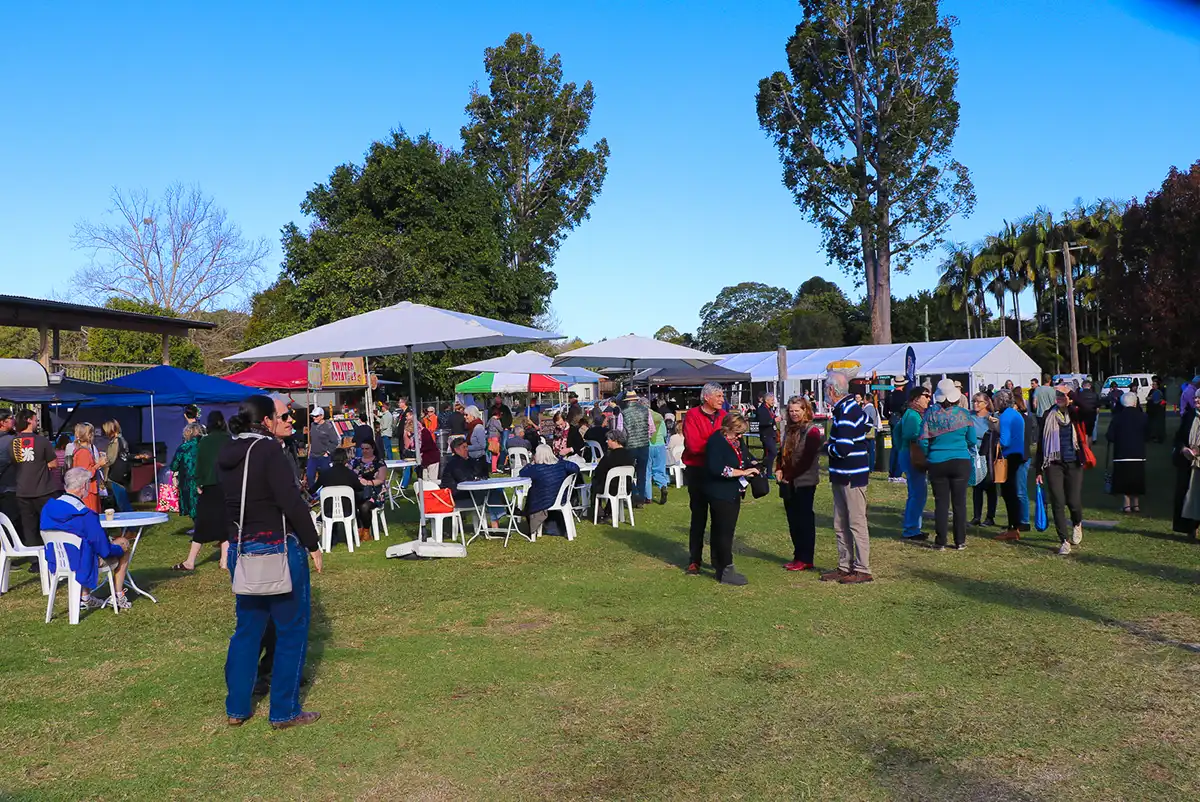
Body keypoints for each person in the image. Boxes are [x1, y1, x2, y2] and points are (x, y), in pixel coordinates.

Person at [218, 394, 323, 730]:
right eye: (280, 416)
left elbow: (227, 504)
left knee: (248, 630)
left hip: (242, 548)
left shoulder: (227, 451)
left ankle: (237, 707)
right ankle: (284, 710)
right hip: (277, 547)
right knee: (291, 629)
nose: (286, 420)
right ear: (265, 420)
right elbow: (290, 501)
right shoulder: (268, 450)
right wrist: (313, 543)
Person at [41, 467, 134, 610]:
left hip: (58, 560)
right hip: (82, 562)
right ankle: (118, 595)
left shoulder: (48, 508)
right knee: (123, 544)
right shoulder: (85, 515)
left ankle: (85, 597)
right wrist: (119, 547)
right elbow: (104, 549)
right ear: (83, 486)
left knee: (85, 546)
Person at [822, 371, 873, 584]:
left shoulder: (846, 412)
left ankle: (862, 568)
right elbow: (868, 423)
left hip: (851, 475)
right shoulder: (850, 408)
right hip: (844, 474)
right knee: (840, 522)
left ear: (831, 390)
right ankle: (845, 566)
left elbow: (842, 449)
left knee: (855, 522)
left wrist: (826, 447)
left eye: (826, 389)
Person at [920, 379, 977, 550]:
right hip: (960, 460)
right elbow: (972, 439)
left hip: (937, 461)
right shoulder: (964, 414)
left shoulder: (930, 414)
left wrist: (929, 453)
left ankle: (941, 541)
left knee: (941, 503)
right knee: (959, 503)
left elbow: (922, 440)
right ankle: (960, 541)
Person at [171, 412, 231, 571]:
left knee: (202, 523)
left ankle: (190, 561)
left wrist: (198, 483)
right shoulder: (229, 440)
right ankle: (224, 560)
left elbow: (200, 465)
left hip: (209, 486)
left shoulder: (204, 442)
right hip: (227, 485)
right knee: (226, 522)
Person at [704, 412, 758, 586]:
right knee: (724, 532)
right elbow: (716, 468)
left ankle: (718, 564)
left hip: (733, 491)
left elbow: (745, 456)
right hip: (720, 493)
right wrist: (742, 472)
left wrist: (754, 464)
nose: (740, 437)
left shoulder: (736, 441)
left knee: (722, 530)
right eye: (737, 433)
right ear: (727, 428)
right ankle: (726, 569)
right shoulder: (716, 442)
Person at [682, 383, 727, 575]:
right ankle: (695, 560)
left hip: (718, 472)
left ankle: (718, 561)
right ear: (706, 397)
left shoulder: (724, 416)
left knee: (719, 518)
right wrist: (717, 447)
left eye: (722, 396)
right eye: (718, 396)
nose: (722, 399)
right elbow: (694, 445)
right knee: (698, 517)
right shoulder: (692, 415)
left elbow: (732, 440)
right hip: (698, 471)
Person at [1035, 385, 1086, 555]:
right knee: (1058, 501)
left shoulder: (1075, 413)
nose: (1060, 398)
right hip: (1053, 463)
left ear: (1070, 398)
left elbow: (1088, 408)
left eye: (1063, 396)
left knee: (1073, 501)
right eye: (1058, 395)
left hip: (1073, 462)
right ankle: (1064, 540)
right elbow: (1041, 443)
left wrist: (1070, 393)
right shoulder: (1048, 415)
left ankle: (1077, 523)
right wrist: (1038, 470)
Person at [777, 396, 823, 571]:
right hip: (788, 481)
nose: (794, 414)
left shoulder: (812, 431)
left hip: (804, 482)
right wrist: (779, 468)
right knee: (793, 520)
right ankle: (798, 556)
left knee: (804, 521)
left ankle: (806, 558)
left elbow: (806, 460)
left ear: (805, 410)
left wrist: (789, 475)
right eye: (791, 411)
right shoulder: (789, 429)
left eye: (797, 410)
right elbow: (782, 452)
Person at [519, 444, 580, 537]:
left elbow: (522, 473)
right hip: (561, 498)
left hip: (543, 501)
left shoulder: (536, 469)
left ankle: (527, 517)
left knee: (531, 493)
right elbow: (576, 468)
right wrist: (560, 459)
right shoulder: (561, 465)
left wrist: (531, 463)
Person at [896, 385, 932, 541]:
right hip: (912, 454)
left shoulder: (912, 413)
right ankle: (911, 529)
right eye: (926, 396)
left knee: (916, 493)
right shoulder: (912, 415)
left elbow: (897, 432)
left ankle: (913, 527)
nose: (929, 399)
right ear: (916, 398)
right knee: (918, 493)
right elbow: (910, 434)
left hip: (908, 453)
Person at [1107, 392, 1147, 513]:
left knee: (1124, 479)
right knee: (1137, 478)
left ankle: (1126, 504)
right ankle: (1136, 504)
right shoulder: (1143, 417)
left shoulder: (1117, 417)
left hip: (1121, 453)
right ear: (1135, 403)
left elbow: (1110, 436)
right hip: (1138, 453)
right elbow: (1148, 434)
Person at [993, 389, 1026, 541]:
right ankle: (1015, 525)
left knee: (1008, 492)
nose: (994, 403)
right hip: (1018, 453)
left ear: (1001, 401)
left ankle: (1013, 527)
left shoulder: (1005, 416)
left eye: (995, 400)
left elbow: (1005, 441)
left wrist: (995, 439)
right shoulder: (1016, 414)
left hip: (1009, 456)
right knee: (1012, 491)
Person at [616, 390, 654, 508]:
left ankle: (634, 493)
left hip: (630, 446)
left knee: (628, 472)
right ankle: (641, 498)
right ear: (636, 400)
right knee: (642, 473)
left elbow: (619, 431)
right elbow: (652, 429)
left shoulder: (623, 413)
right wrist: (645, 436)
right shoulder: (646, 411)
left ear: (627, 401)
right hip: (644, 445)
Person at [591, 429, 636, 522]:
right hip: (626, 487)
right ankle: (608, 511)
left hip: (611, 487)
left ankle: (598, 512)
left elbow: (599, 471)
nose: (607, 442)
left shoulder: (609, 455)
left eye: (608, 440)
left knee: (595, 483)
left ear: (615, 441)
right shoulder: (630, 455)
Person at [969, 393, 999, 528]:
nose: (975, 404)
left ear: (986, 404)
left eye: (978, 401)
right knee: (977, 486)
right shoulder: (970, 417)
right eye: (974, 401)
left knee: (990, 486)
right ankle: (976, 516)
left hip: (988, 455)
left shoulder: (991, 417)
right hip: (973, 455)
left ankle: (990, 517)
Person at [349, 442, 388, 542]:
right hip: (358, 492)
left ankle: (366, 530)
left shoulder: (379, 462)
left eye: (367, 448)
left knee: (364, 506)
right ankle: (358, 528)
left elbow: (381, 479)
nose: (364, 451)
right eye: (362, 449)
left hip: (375, 492)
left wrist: (368, 483)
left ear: (373, 449)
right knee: (350, 504)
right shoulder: (355, 461)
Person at [1172, 404, 1200, 540]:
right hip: (1189, 463)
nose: (1196, 400)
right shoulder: (1190, 416)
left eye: (1199, 397)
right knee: (1189, 496)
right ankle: (1190, 528)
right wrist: (1183, 449)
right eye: (1195, 397)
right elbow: (1179, 438)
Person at [1012, 388, 1037, 531]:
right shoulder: (1023, 419)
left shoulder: (1022, 419)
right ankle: (1017, 519)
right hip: (1020, 456)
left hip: (1022, 457)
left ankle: (1024, 520)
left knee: (1020, 490)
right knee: (1016, 489)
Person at [306, 407, 339, 490]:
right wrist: (309, 451)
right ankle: (313, 493)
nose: (314, 418)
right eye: (313, 416)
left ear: (322, 416)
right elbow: (312, 439)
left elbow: (335, 441)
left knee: (325, 477)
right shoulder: (313, 425)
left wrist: (327, 452)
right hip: (313, 455)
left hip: (323, 456)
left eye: (316, 416)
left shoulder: (328, 426)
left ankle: (326, 492)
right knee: (310, 475)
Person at [0, 409, 19, 544]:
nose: (14, 421)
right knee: (10, 522)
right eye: (11, 418)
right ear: (2, 422)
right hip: (10, 486)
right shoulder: (13, 441)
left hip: (6, 486)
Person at [646, 400, 670, 505]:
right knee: (659, 470)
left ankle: (648, 497)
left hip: (648, 445)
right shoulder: (659, 416)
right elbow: (664, 433)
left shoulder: (643, 416)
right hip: (660, 445)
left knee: (647, 471)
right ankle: (663, 485)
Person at [886, 377, 909, 480]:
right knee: (900, 447)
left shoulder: (889, 396)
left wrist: (891, 417)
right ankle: (897, 473)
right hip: (902, 421)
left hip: (892, 420)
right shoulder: (905, 396)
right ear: (903, 385)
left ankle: (891, 472)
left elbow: (884, 412)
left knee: (894, 447)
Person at [756, 394, 779, 481]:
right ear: (767, 400)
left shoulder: (770, 409)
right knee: (773, 452)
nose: (773, 402)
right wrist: (773, 420)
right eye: (772, 400)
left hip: (771, 433)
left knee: (769, 453)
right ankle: (762, 466)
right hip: (766, 435)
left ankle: (768, 472)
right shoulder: (762, 409)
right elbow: (762, 422)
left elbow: (771, 417)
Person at [856, 392, 881, 471]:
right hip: (873, 430)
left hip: (868, 431)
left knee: (868, 449)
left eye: (864, 398)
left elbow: (864, 420)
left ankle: (869, 466)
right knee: (872, 449)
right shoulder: (873, 408)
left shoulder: (867, 408)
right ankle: (871, 466)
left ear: (866, 400)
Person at [1147, 378, 1167, 443]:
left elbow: (1163, 401)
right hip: (1152, 411)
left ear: (1157, 385)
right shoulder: (1152, 391)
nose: (1153, 386)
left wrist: (1160, 402)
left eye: (1154, 384)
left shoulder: (1161, 391)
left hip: (1158, 411)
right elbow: (1147, 398)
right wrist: (1149, 398)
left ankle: (1160, 438)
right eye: (1152, 384)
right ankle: (1153, 436)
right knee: (1152, 424)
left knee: (1159, 424)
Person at [485, 408, 505, 473]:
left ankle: (493, 467)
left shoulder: (490, 420)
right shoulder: (495, 420)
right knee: (496, 454)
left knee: (494, 453)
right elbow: (500, 429)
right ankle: (494, 469)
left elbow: (486, 426)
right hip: (495, 438)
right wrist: (504, 428)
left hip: (490, 438)